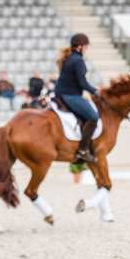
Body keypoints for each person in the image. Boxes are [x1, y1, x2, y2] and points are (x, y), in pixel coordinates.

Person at [55, 33, 99, 163]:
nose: (87, 49)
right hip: (70, 95)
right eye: (86, 46)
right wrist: (96, 91)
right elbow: (82, 83)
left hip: (63, 93)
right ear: (79, 47)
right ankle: (83, 150)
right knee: (93, 117)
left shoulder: (70, 58)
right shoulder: (78, 60)